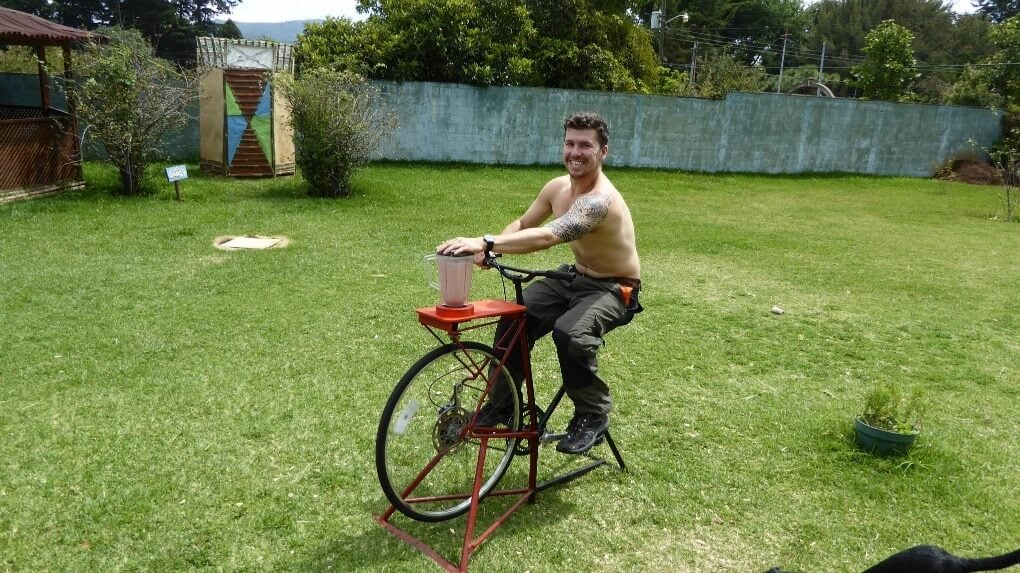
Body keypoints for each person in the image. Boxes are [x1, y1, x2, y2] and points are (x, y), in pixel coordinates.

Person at [436, 111, 642, 455]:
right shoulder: (558, 188)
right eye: (570, 143)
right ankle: (503, 404)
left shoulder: (598, 201)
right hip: (575, 276)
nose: (575, 152)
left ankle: (592, 413)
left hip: (614, 287)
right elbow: (523, 223)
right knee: (516, 318)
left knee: (571, 333)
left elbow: (548, 236)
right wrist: (495, 249)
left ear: (603, 152)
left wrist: (486, 242)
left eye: (585, 145)